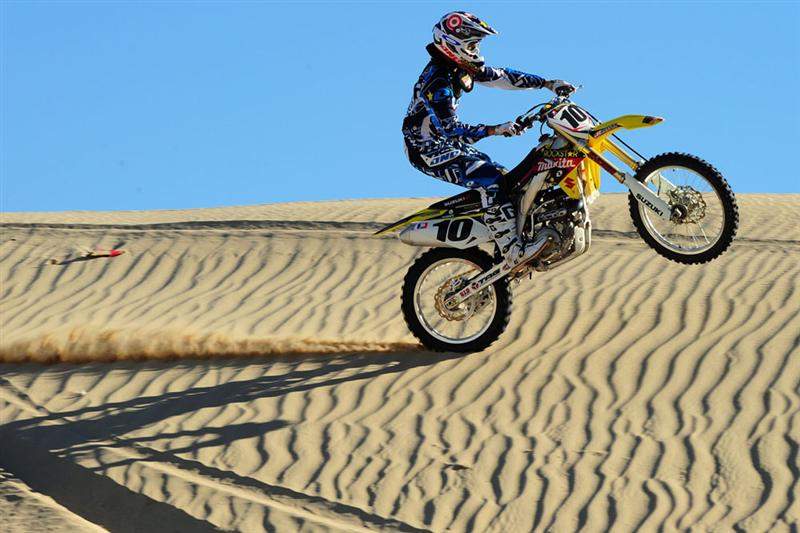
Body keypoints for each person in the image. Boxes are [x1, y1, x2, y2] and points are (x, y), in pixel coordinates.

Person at [402, 11, 575, 264]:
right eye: (472, 44)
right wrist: (495, 129)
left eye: (477, 44)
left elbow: (501, 77)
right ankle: (513, 250)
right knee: (490, 181)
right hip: (426, 149)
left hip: (448, 144)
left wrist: (547, 83)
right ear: (453, 43)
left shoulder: (458, 67)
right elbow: (451, 129)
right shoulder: (437, 82)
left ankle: (514, 239)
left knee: (509, 182)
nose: (476, 49)